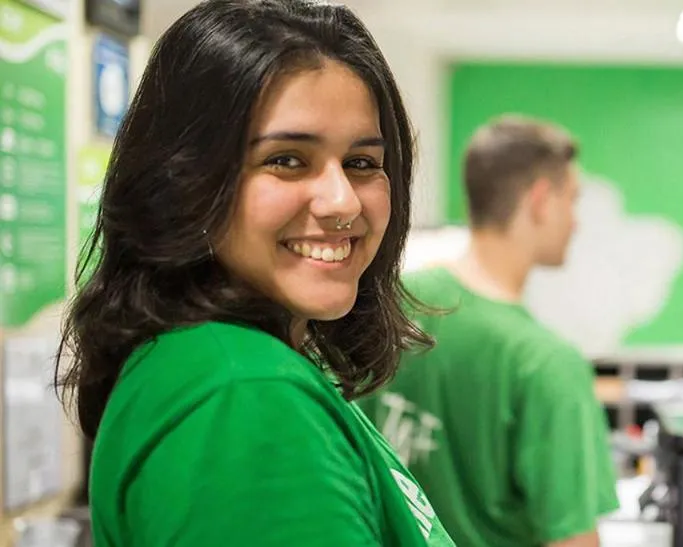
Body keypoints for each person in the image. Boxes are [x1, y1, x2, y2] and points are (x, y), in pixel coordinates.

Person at [54, 1, 455, 545]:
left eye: (362, 163)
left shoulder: (213, 365)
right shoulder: (245, 397)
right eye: (286, 159)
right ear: (184, 178)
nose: (341, 202)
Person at [362, 115, 619, 547]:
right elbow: (574, 540)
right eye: (571, 201)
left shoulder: (390, 305)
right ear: (540, 201)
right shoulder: (546, 362)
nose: (575, 222)